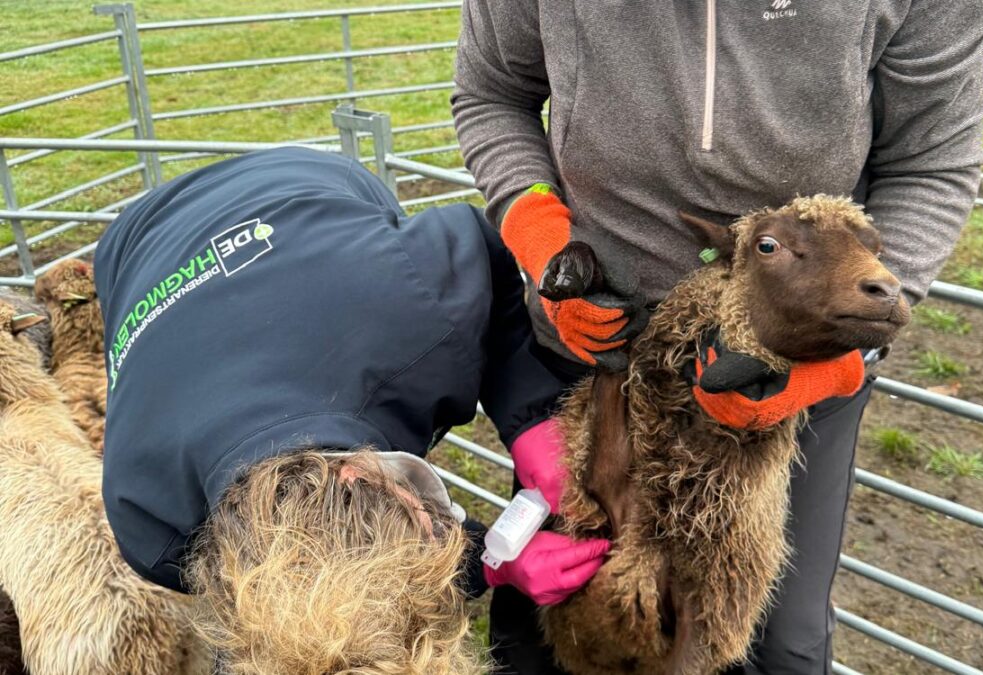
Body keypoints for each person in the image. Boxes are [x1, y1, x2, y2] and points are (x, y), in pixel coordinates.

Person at [452, 1, 983, 672]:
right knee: (556, 617)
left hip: (792, 371)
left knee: (775, 643)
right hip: (593, 357)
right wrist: (537, 225)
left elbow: (933, 159)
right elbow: (493, 95)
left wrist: (836, 364)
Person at [96, 147, 611, 673]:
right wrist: (497, 565)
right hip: (136, 255)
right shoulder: (153, 528)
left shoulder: (420, 314)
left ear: (366, 474)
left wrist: (529, 417)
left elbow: (481, 245)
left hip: (296, 186)